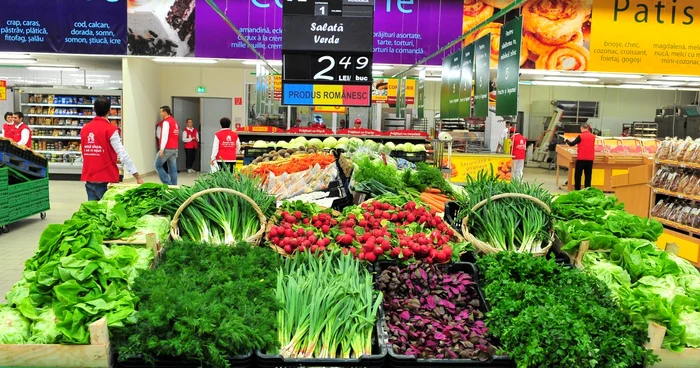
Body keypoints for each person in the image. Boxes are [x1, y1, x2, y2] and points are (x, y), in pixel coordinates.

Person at [81, 96, 143, 201]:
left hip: (90, 178)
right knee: (108, 213)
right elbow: (122, 153)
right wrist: (137, 176)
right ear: (109, 110)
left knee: (93, 214)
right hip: (106, 180)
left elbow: (85, 153)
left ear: (94, 110)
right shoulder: (111, 130)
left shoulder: (85, 129)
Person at [565, 123, 596, 190]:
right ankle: (587, 190)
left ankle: (577, 189)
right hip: (590, 159)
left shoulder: (580, 136)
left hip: (581, 158)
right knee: (588, 175)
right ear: (588, 128)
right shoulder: (593, 136)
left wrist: (566, 140)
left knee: (578, 175)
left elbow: (571, 144)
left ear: (581, 128)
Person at [155, 106, 180, 185]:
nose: (160, 113)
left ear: (165, 112)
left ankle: (168, 184)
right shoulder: (174, 122)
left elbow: (165, 135)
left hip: (167, 147)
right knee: (173, 168)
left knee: (157, 165)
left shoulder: (166, 122)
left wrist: (162, 148)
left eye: (161, 112)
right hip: (174, 148)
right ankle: (174, 186)